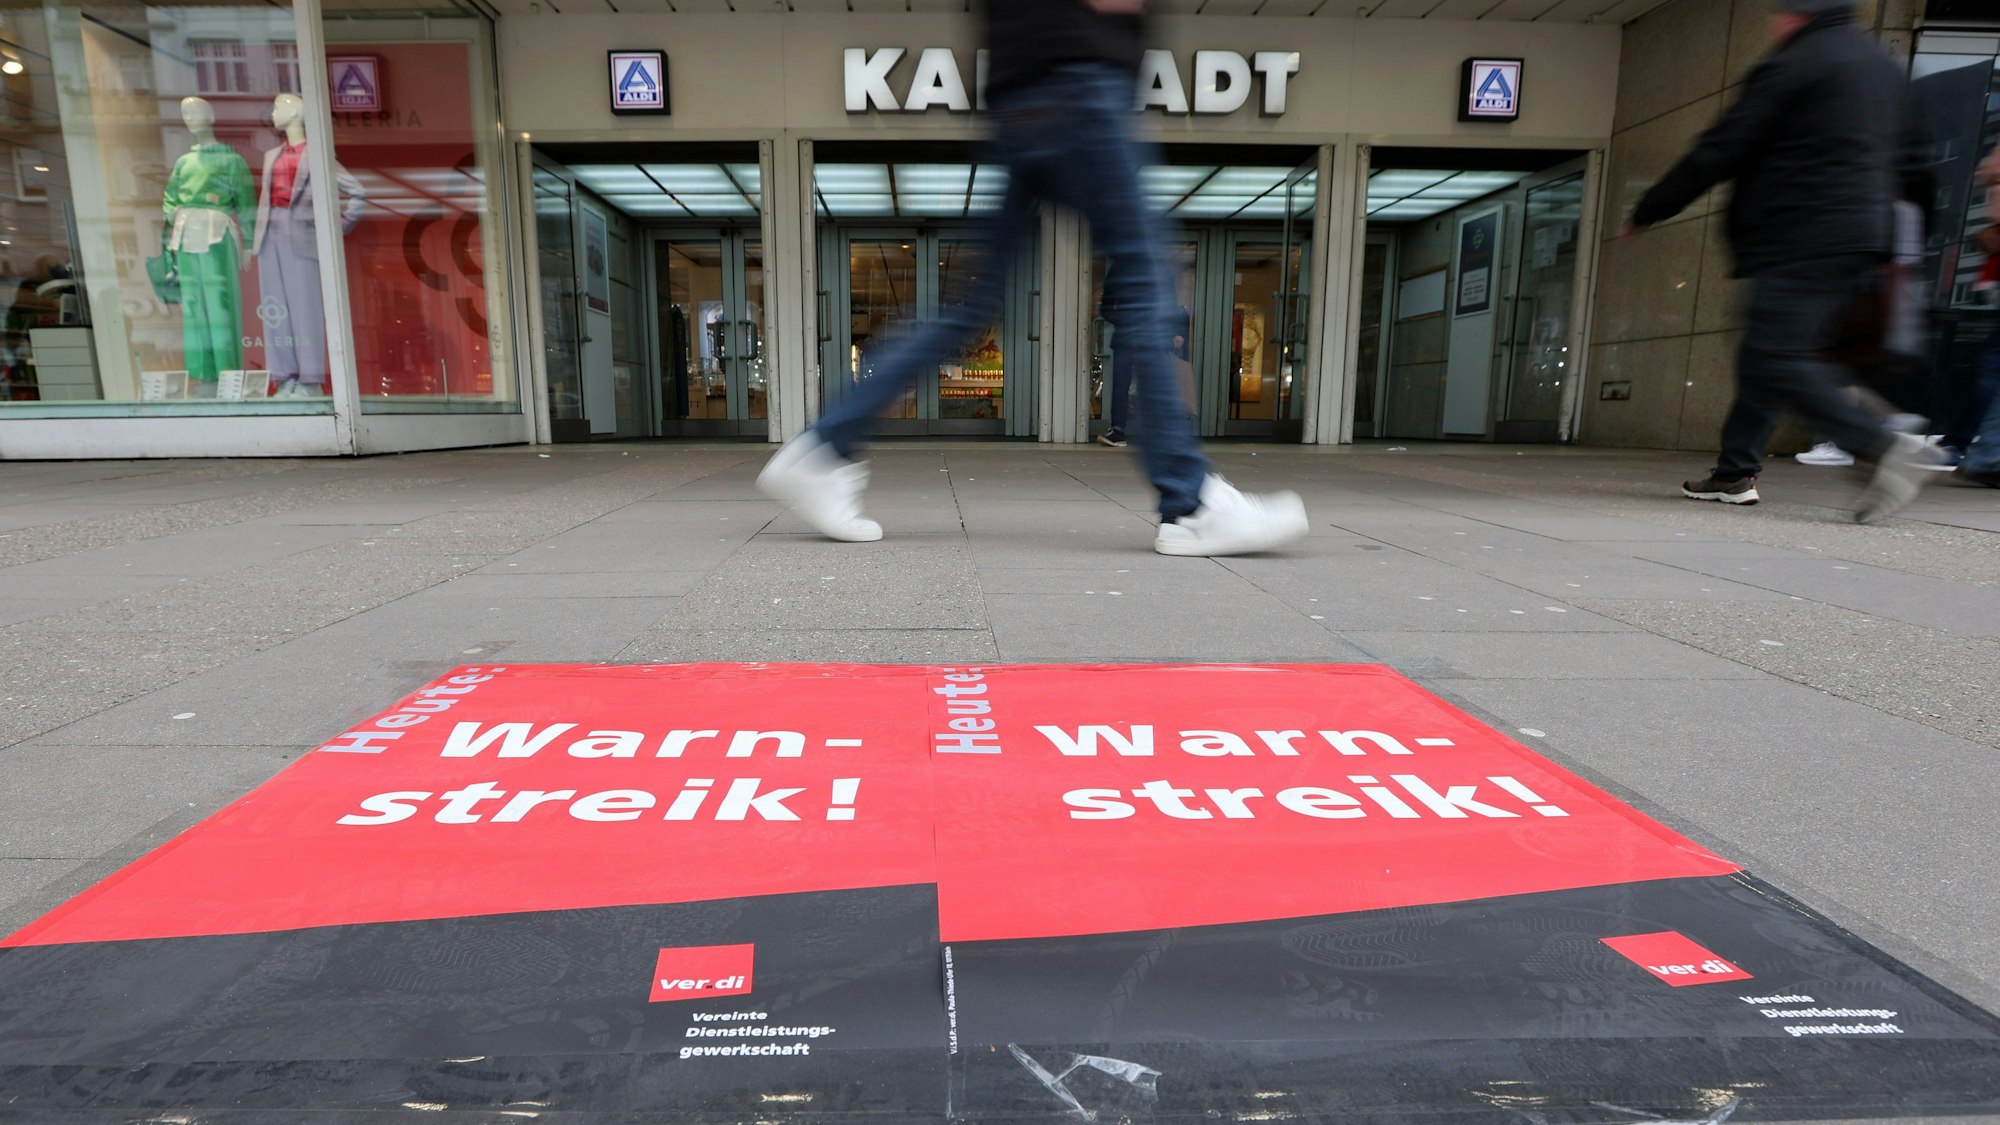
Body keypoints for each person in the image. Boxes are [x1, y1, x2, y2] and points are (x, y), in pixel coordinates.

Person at [757, 0, 1309, 557]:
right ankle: (1191, 503)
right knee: (1147, 283)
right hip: (1082, 82)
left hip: (1021, 91)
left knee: (968, 307)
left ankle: (823, 450)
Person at [1625, 0, 1930, 524]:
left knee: (1774, 354)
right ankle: (1733, 471)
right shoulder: (1879, 66)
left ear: (1795, 14)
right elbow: (1914, 162)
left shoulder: (1794, 63)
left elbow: (1723, 146)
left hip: (1799, 233)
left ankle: (1880, 444)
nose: (1771, 23)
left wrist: (1652, 207)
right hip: (1859, 238)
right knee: (1773, 352)